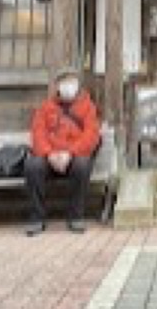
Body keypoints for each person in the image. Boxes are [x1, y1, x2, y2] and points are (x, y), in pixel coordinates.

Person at [24, 67, 100, 236]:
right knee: (32, 165)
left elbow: (91, 135)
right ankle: (37, 217)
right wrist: (49, 153)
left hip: (73, 156)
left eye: (72, 81)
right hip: (50, 156)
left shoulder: (88, 107)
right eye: (64, 82)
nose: (68, 86)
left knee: (82, 165)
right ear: (57, 85)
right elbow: (38, 132)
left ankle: (76, 216)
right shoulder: (45, 107)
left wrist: (70, 153)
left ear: (78, 84)